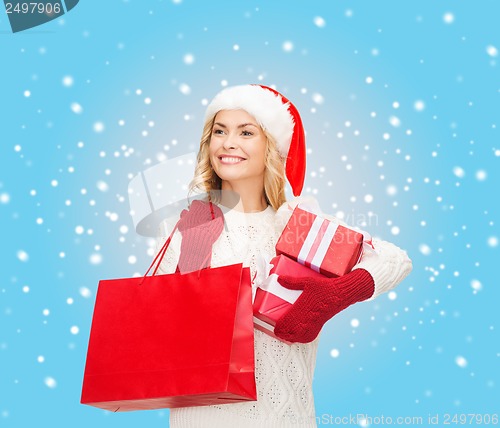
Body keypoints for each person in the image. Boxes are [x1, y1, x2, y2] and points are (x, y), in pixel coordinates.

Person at [153, 84, 413, 427]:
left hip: (286, 415)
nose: (228, 142)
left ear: (273, 148)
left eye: (246, 132)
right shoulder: (184, 226)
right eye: (220, 131)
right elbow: (163, 325)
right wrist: (192, 262)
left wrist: (338, 293)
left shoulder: (298, 223)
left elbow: (395, 260)